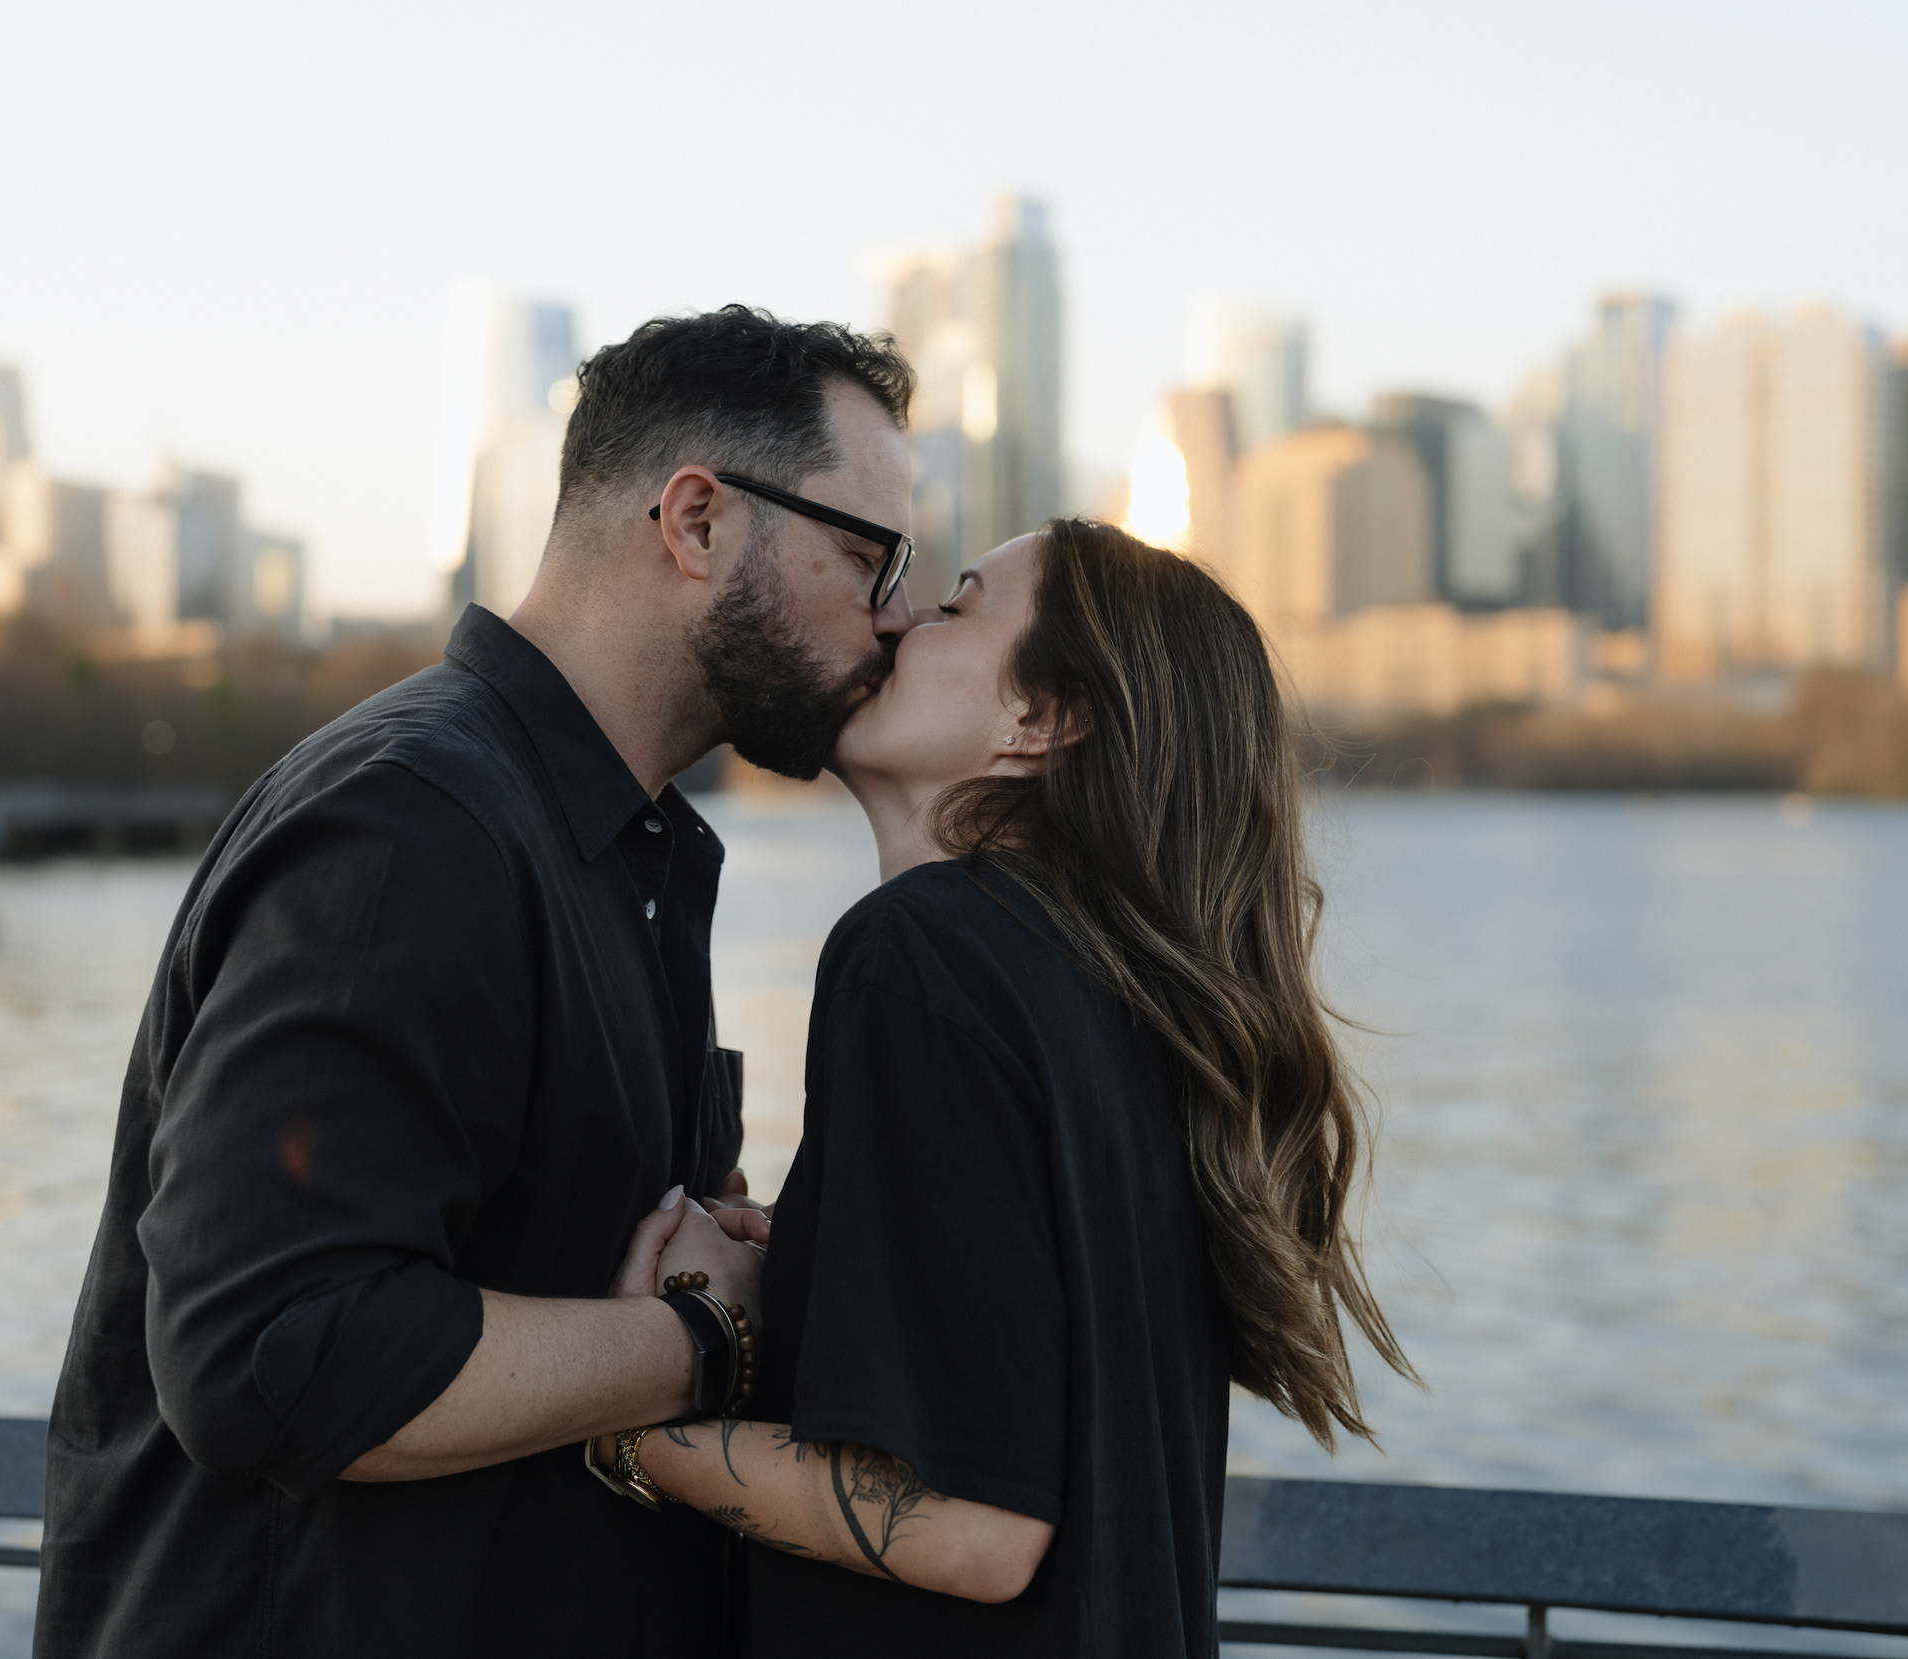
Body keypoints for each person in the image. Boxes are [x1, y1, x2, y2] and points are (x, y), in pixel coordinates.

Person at [33, 307, 923, 1658]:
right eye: (869, 554)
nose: (897, 612)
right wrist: (708, 1336)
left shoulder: (620, 849)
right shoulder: (414, 830)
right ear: (697, 521)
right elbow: (277, 1352)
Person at [598, 517, 1415, 1655]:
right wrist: (812, 1277)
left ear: (1041, 717)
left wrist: (624, 1430)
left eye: (955, 606)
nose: (895, 618)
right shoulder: (1122, 991)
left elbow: (973, 1527)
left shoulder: (920, 953)